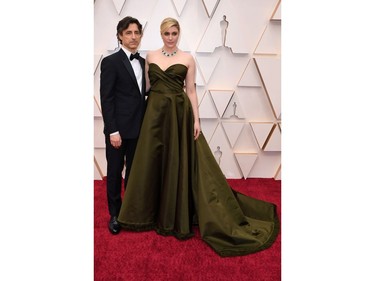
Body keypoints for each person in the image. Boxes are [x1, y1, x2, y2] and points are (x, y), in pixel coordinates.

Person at [117, 17, 279, 257]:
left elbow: (191, 91)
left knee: (178, 160)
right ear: (161, 35)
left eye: (174, 33)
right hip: (155, 115)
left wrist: (196, 121)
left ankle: (176, 213)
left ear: (178, 34)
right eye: (166, 34)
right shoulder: (150, 56)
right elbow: (148, 87)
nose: (170, 38)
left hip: (179, 115)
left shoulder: (187, 59)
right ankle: (149, 213)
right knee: (153, 162)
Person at [100, 16, 147, 235]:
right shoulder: (110, 62)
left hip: (138, 129)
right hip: (118, 131)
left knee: (134, 173)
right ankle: (115, 215)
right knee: (114, 171)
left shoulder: (144, 62)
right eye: (128, 33)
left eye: (136, 32)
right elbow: (107, 99)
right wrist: (113, 131)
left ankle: (131, 211)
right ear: (120, 36)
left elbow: (142, 95)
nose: (133, 37)